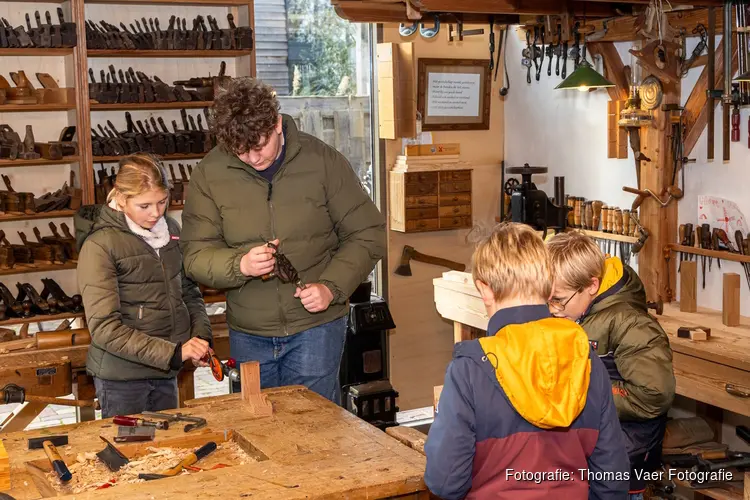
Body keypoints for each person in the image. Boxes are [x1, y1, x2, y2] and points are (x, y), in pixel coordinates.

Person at [180, 77, 386, 404]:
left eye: (258, 145)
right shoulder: (210, 173)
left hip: (316, 328)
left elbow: (368, 233)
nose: (252, 157)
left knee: (316, 428)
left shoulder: (322, 162)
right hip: (249, 333)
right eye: (240, 151)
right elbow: (194, 256)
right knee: (257, 432)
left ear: (276, 123)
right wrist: (240, 265)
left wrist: (331, 287)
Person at [424, 223, 629, 500]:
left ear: (485, 290)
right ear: (548, 289)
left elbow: (446, 481)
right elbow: (612, 479)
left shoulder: (469, 370)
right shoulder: (585, 360)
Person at [75, 154, 212, 418]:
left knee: (166, 452)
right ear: (122, 199)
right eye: (144, 205)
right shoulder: (100, 245)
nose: (156, 213)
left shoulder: (170, 230)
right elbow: (105, 329)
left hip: (166, 370)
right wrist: (173, 353)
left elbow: (188, 292)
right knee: (131, 454)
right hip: (122, 379)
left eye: (162, 202)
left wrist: (200, 337)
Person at [546, 231, 676, 500]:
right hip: (586, 455)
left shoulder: (632, 325)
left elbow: (653, 395)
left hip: (623, 462)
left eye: (558, 299)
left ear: (592, 286)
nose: (552, 308)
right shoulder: (578, 310)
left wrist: (582, 391)